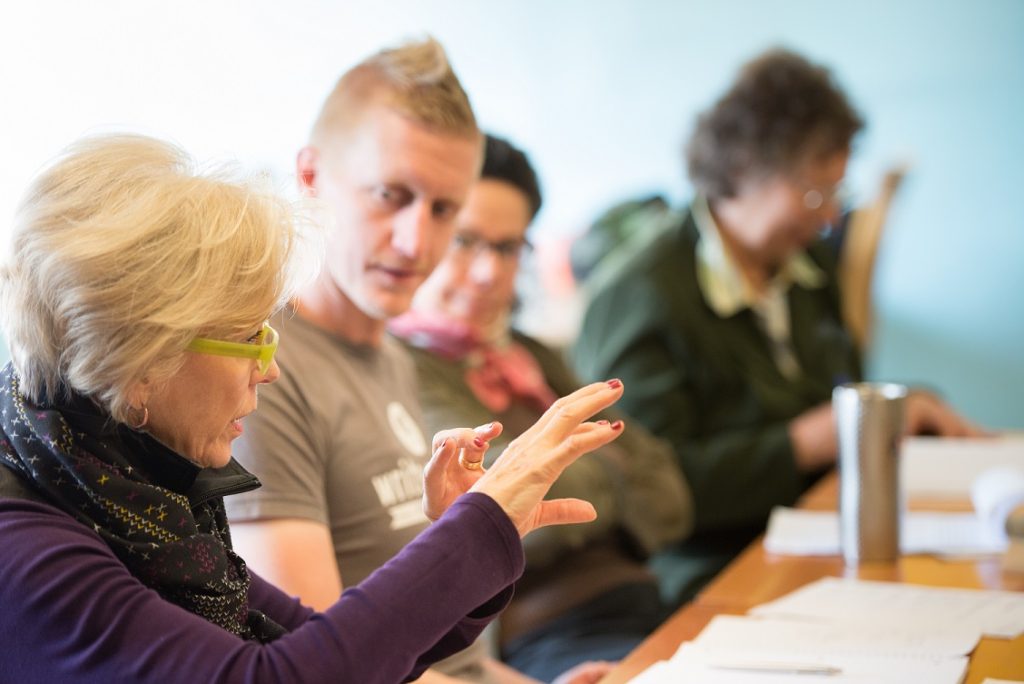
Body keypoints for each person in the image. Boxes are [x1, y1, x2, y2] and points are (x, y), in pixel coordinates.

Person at [0, 133, 629, 683]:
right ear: (141, 357)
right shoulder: (27, 553)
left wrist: (463, 532)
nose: (268, 367)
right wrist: (478, 527)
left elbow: (327, 646)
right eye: (248, 336)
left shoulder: (135, 496)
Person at [224, 39, 603, 684]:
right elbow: (323, 661)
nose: (416, 242)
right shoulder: (261, 372)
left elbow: (460, 660)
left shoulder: (390, 354)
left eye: (443, 209)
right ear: (311, 177)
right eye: (389, 195)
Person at [572, 48, 983, 606]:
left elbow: (842, 388)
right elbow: (652, 491)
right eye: (815, 194)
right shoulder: (640, 295)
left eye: (838, 194)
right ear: (744, 170)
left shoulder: (806, 273)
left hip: (821, 530)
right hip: (713, 565)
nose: (831, 217)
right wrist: (809, 441)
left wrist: (907, 407)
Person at [390, 134, 693, 681]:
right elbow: (488, 510)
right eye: (465, 241)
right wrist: (611, 466)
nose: (488, 273)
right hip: (534, 638)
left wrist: (554, 472)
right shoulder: (394, 367)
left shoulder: (532, 356)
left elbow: (672, 493)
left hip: (646, 598)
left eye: (507, 248)